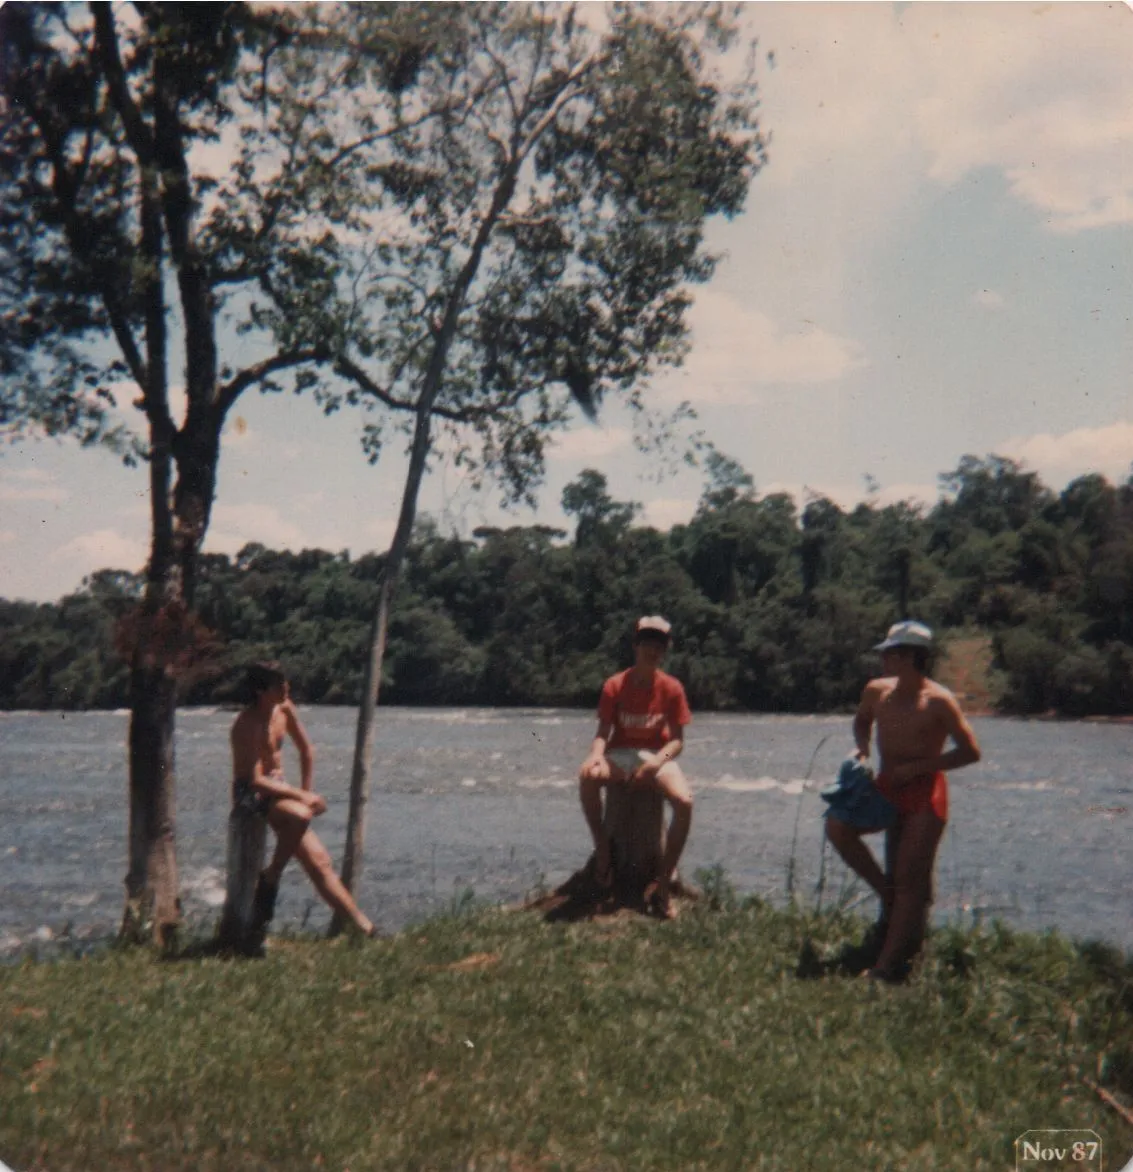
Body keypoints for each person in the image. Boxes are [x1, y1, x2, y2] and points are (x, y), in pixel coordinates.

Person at [825, 621, 981, 981]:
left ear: (911, 657)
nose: (883, 659)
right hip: (884, 786)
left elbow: (971, 752)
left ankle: (887, 964)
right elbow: (861, 722)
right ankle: (887, 896)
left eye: (891, 653)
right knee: (837, 825)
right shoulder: (876, 691)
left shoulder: (939, 701)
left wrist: (919, 768)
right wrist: (862, 749)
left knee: (911, 877)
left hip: (926, 793)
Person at [230, 662, 378, 939]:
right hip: (251, 793)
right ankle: (271, 876)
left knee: (320, 861)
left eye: (286, 682)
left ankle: (365, 929)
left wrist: (305, 792)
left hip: (280, 790)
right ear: (262, 690)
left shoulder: (285, 709)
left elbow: (306, 750)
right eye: (279, 685)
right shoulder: (246, 725)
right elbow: (254, 780)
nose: (287, 688)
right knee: (300, 816)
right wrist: (302, 798)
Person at [578, 615, 693, 918]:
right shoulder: (615, 685)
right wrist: (596, 756)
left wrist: (656, 763)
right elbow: (603, 733)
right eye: (646, 643)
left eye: (659, 645)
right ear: (635, 646)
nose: (652, 650)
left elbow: (677, 742)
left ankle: (664, 882)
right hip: (620, 755)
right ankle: (604, 854)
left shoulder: (672, 688)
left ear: (665, 650)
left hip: (657, 755)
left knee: (684, 802)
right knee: (587, 777)